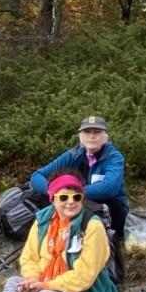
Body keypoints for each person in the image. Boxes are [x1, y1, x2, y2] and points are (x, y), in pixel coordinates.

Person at [26, 114, 128, 277]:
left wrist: (72, 193)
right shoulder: (74, 154)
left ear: (105, 137)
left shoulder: (114, 157)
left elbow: (110, 188)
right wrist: (54, 191)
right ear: (80, 136)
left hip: (112, 211)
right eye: (87, 132)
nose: (92, 136)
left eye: (97, 132)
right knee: (53, 197)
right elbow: (37, 175)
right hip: (81, 206)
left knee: (68, 201)